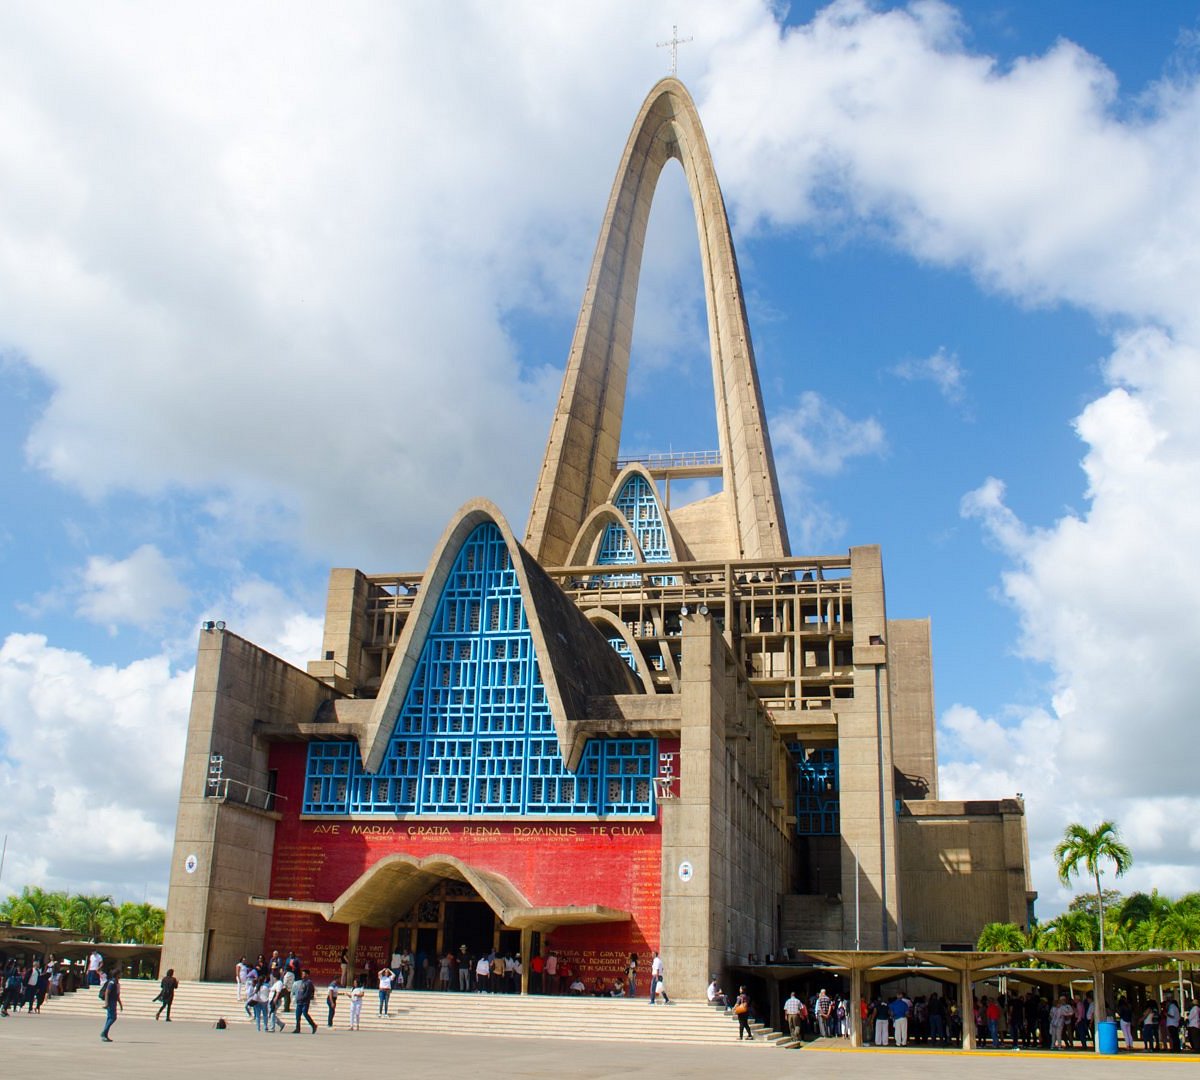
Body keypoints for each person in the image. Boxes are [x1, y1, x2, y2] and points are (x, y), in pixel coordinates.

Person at [99, 969, 122, 1042]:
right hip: (111, 1002)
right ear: (117, 974)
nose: (121, 975)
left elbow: (117, 994)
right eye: (120, 973)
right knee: (112, 1018)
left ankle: (105, 1034)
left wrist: (120, 1003)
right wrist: (106, 1003)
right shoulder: (112, 982)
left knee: (110, 1018)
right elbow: (107, 993)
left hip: (114, 1002)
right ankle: (103, 1033)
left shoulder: (117, 983)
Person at [293, 969, 317, 1033]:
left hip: (305, 1002)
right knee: (297, 1015)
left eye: (303, 974)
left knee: (305, 1013)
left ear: (307, 975)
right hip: (299, 1002)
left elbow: (307, 993)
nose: (302, 975)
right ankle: (297, 1028)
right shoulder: (302, 982)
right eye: (302, 974)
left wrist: (302, 998)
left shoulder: (308, 982)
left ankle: (313, 1025)